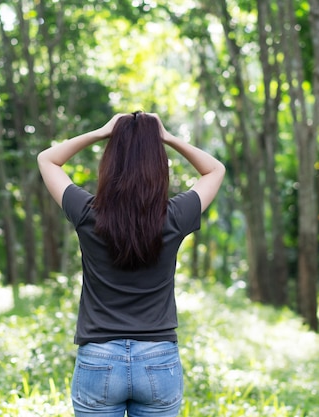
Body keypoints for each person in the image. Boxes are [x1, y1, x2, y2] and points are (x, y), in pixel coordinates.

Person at [37, 111, 225, 416]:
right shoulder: (174, 217)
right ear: (158, 164)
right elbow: (215, 170)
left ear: (109, 163)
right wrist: (165, 136)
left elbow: (47, 159)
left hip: (99, 357)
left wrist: (101, 131)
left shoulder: (88, 214)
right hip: (158, 358)